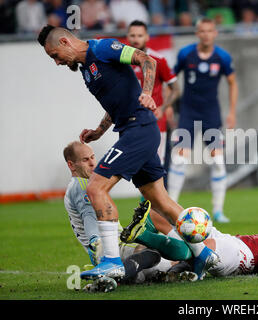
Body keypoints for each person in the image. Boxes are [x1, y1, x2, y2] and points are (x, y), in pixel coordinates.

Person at [37, 25, 219, 281]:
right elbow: (117, 101)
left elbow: (146, 60)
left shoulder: (101, 48)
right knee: (160, 200)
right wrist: (100, 131)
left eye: (55, 55)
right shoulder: (87, 71)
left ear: (65, 42)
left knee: (95, 188)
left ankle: (110, 260)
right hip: (132, 130)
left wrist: (146, 93)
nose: (56, 62)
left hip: (140, 128)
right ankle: (203, 254)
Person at [62, 141, 197, 290]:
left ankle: (156, 274)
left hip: (109, 247)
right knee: (155, 254)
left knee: (144, 274)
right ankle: (113, 275)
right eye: (85, 160)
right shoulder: (82, 186)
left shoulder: (81, 185)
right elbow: (88, 215)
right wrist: (97, 243)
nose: (92, 163)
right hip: (108, 247)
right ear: (71, 165)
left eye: (93, 157)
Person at [122, 200, 258, 276]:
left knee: (199, 243)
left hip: (244, 255)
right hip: (231, 240)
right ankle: (144, 253)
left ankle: (158, 264)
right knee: (167, 216)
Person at [167, 18, 238, 223]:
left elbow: (233, 83)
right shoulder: (185, 54)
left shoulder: (222, 57)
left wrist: (232, 112)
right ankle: (171, 207)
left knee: (218, 162)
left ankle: (218, 211)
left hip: (211, 114)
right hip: (188, 113)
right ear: (197, 33)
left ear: (215, 33)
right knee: (180, 160)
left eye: (210, 31)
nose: (206, 34)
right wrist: (168, 105)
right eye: (202, 31)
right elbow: (171, 80)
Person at [127, 20, 180, 169]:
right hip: (130, 120)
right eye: (133, 35)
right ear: (127, 37)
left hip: (154, 120)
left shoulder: (158, 60)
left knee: (156, 164)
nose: (136, 39)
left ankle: (154, 193)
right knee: (137, 165)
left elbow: (176, 89)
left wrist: (163, 109)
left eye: (139, 35)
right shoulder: (120, 61)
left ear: (147, 37)